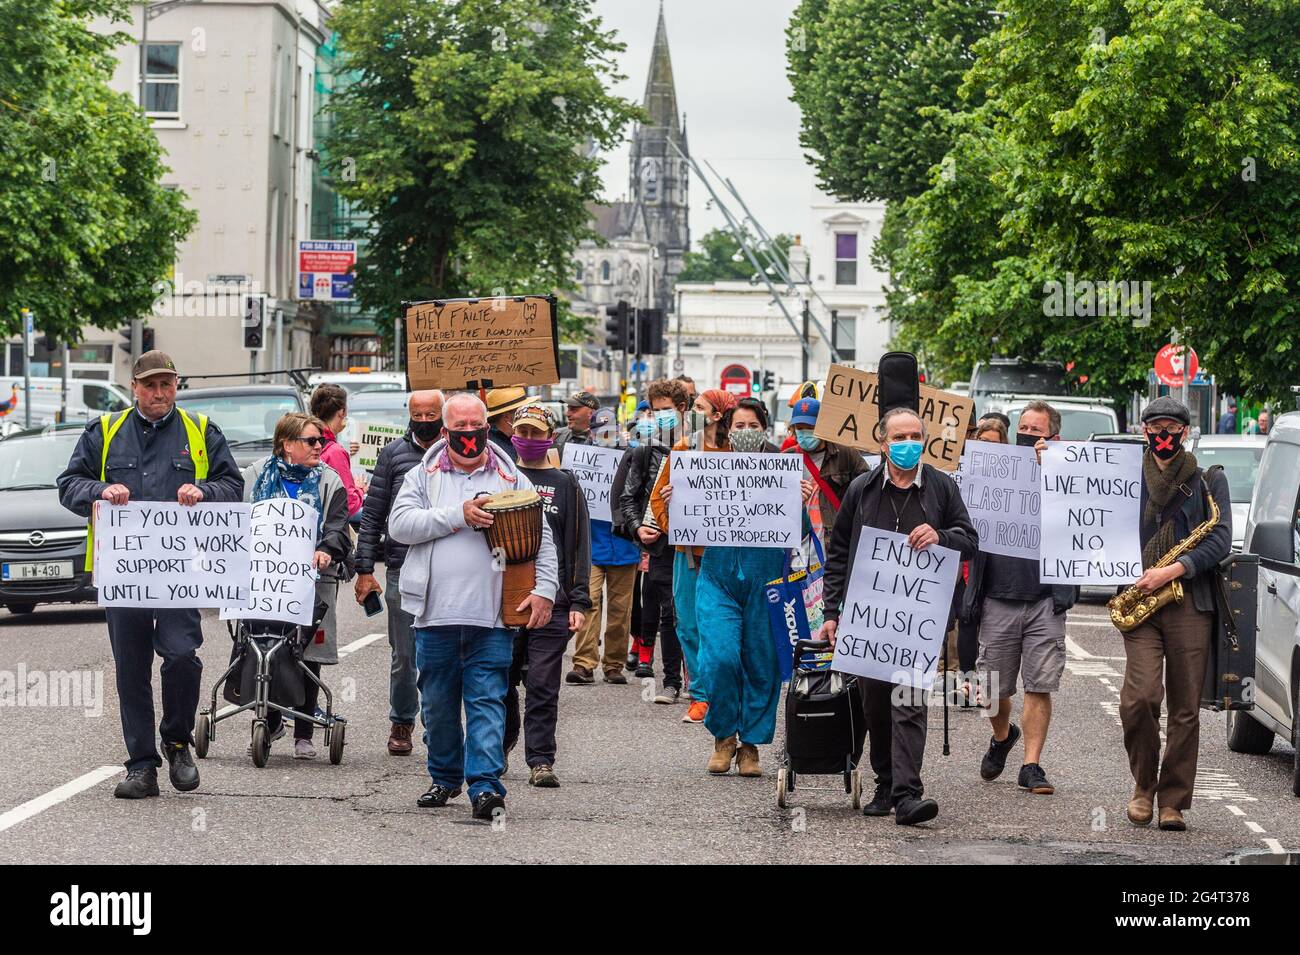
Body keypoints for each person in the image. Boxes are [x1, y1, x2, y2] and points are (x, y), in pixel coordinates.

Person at [57, 350, 243, 799]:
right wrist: (101, 490)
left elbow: (233, 486)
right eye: (150, 385)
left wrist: (204, 491)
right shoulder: (104, 431)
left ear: (176, 385)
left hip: (182, 571)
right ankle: (141, 765)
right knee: (132, 670)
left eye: (167, 384)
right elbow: (69, 484)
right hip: (125, 575)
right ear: (134, 387)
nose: (159, 393)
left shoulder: (201, 432)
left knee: (181, 656)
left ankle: (177, 741)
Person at [388, 392, 558, 821]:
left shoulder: (510, 476)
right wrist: (457, 515)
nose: (469, 435)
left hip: (492, 616)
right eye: (459, 429)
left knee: (487, 700)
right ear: (445, 432)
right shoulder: (423, 476)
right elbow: (400, 526)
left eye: (475, 427)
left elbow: (544, 539)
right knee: (439, 705)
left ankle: (485, 788)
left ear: (487, 425)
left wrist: (546, 589)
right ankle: (444, 778)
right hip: (434, 615)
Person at [818, 407, 978, 825]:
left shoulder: (941, 488)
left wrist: (940, 536)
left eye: (915, 436)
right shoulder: (862, 488)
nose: (908, 444)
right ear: (883, 442)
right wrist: (832, 611)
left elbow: (970, 540)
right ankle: (885, 781)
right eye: (899, 437)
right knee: (875, 704)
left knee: (908, 702)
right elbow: (839, 554)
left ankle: (908, 794)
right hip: (867, 620)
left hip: (918, 621)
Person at [1121, 396, 1231, 831]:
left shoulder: (1209, 480)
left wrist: (1172, 569)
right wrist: (1045, 460)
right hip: (1141, 602)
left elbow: (1220, 539)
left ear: (1185, 433)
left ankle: (1173, 802)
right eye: (1155, 426)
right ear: (1143, 430)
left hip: (1189, 599)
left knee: (1185, 708)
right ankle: (1143, 786)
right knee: (1141, 698)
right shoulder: (1123, 474)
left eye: (1171, 427)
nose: (1162, 435)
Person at [965, 401, 1077, 796]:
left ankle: (1032, 765)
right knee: (992, 689)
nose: (1029, 435)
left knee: (1040, 684)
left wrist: (1058, 470)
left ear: (1055, 438)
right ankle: (1002, 736)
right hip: (998, 595)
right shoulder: (995, 475)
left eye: (1038, 430)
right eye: (1024, 428)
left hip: (1046, 599)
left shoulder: (1068, 477)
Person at [676, 397, 787, 776]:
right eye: (738, 427)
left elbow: (801, 533)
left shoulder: (783, 471)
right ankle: (724, 735)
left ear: (765, 430)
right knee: (719, 658)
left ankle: (751, 745)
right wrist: (679, 501)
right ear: (728, 430)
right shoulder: (709, 469)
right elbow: (683, 521)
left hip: (766, 581)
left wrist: (801, 503)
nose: (745, 433)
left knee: (762, 663)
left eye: (753, 427)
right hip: (718, 577)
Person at [242, 412, 352, 759]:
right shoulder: (256, 476)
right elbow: (238, 516)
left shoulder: (329, 481)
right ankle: (270, 720)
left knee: (306, 650)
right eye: (311, 440)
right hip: (265, 577)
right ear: (287, 445)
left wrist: (325, 549)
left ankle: (303, 731)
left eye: (320, 439)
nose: (320, 445)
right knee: (265, 643)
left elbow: (338, 527)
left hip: (313, 578)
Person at [503, 404, 591, 786]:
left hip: (553, 601)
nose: (530, 438)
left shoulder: (565, 483)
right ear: (513, 434)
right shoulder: (502, 477)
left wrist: (579, 599)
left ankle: (541, 760)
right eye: (523, 430)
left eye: (537, 432)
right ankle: (498, 749)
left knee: (542, 682)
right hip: (504, 601)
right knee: (499, 681)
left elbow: (578, 542)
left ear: (549, 437)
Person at [354, 389, 444, 755]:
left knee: (439, 656)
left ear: (442, 415)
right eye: (417, 415)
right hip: (401, 567)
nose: (424, 421)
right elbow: (373, 514)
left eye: (431, 415)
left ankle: (439, 729)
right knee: (404, 654)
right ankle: (402, 722)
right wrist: (363, 569)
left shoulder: (456, 453)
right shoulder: (392, 455)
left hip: (445, 568)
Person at [645, 386, 738, 721]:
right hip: (689, 555)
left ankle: (726, 690)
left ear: (716, 415)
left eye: (700, 407)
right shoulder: (684, 448)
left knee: (724, 625)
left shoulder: (739, 451)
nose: (692, 411)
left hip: (729, 556)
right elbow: (657, 499)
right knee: (689, 623)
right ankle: (700, 694)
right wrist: (677, 525)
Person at [614, 379, 690, 703]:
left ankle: (700, 681)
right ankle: (672, 682)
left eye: (666, 410)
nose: (660, 416)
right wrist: (636, 528)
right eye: (656, 410)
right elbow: (627, 498)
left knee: (696, 613)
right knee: (669, 613)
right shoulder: (645, 450)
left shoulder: (705, 448)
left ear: (682, 409)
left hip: (699, 547)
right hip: (661, 543)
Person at [568, 407, 641, 685]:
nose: (606, 438)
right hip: (591, 546)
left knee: (621, 610)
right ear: (591, 433)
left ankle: (614, 665)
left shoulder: (633, 456)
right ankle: (584, 663)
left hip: (624, 546)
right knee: (588, 602)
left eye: (611, 433)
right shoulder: (579, 460)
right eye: (601, 433)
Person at [955, 416, 1009, 702]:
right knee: (967, 616)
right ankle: (966, 680)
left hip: (996, 557)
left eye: (993, 443)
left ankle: (985, 684)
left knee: (990, 622)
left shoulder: (1013, 476)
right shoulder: (965, 469)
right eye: (982, 442)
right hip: (968, 555)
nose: (987, 447)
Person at [784, 395, 869, 552]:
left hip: (835, 548)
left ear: (822, 426)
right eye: (799, 428)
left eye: (810, 427)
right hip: (798, 551)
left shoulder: (846, 454)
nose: (804, 433)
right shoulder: (785, 459)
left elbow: (868, 490)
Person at [309, 383, 367, 516]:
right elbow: (348, 504)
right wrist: (359, 490)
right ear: (342, 412)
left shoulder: (305, 441)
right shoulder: (335, 452)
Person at [484, 386, 530, 462]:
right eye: (522, 412)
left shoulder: (514, 437)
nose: (526, 415)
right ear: (507, 416)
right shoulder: (491, 445)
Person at [554, 390, 599, 459]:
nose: (567, 414)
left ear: (591, 413)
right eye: (568, 409)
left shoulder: (608, 440)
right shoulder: (557, 435)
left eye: (573, 409)